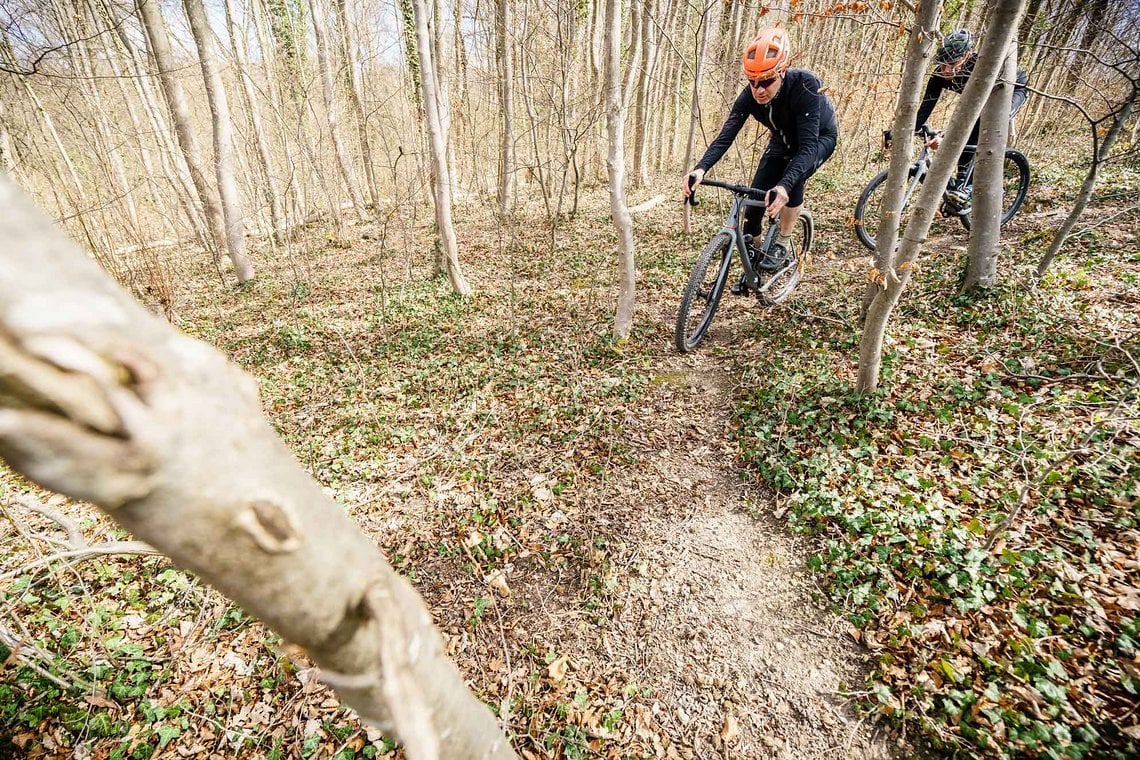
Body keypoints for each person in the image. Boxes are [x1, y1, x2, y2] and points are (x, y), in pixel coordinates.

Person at [682, 27, 838, 283]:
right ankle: (753, 257)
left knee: (792, 178)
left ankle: (784, 240)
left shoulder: (806, 85)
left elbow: (808, 148)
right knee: (753, 206)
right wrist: (700, 169)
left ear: (782, 72)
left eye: (766, 81)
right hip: (781, 142)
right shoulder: (749, 96)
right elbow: (726, 135)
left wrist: (785, 186)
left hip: (818, 139)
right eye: (752, 81)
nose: (759, 89)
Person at [914, 29, 1029, 206]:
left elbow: (971, 116)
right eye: (943, 63)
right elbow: (926, 106)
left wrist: (945, 138)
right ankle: (962, 186)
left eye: (952, 63)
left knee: (984, 128)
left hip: (1011, 91)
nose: (946, 69)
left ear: (967, 55)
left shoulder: (978, 70)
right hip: (978, 104)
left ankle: (971, 186)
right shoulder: (939, 75)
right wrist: (901, 132)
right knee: (965, 143)